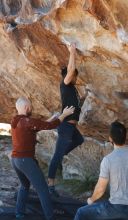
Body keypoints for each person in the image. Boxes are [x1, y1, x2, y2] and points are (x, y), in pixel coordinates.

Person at [11, 97, 74, 220]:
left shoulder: (15, 120)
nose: (31, 108)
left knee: (24, 186)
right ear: (26, 108)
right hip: (25, 161)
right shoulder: (27, 121)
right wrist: (64, 115)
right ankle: (50, 217)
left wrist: (53, 117)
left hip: (15, 160)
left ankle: (19, 214)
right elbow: (50, 126)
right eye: (30, 106)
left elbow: (36, 127)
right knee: (43, 190)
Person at [74, 121, 128, 220]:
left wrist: (91, 200)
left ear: (110, 139)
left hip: (114, 209)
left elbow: (100, 189)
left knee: (81, 212)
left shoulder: (108, 160)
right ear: (125, 137)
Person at [48, 44, 84, 197]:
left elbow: (76, 105)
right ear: (69, 77)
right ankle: (50, 185)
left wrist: (83, 99)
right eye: (75, 76)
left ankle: (60, 156)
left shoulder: (72, 89)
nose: (76, 78)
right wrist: (72, 52)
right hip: (65, 126)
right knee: (57, 155)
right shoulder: (65, 84)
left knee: (79, 140)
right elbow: (70, 70)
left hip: (71, 127)